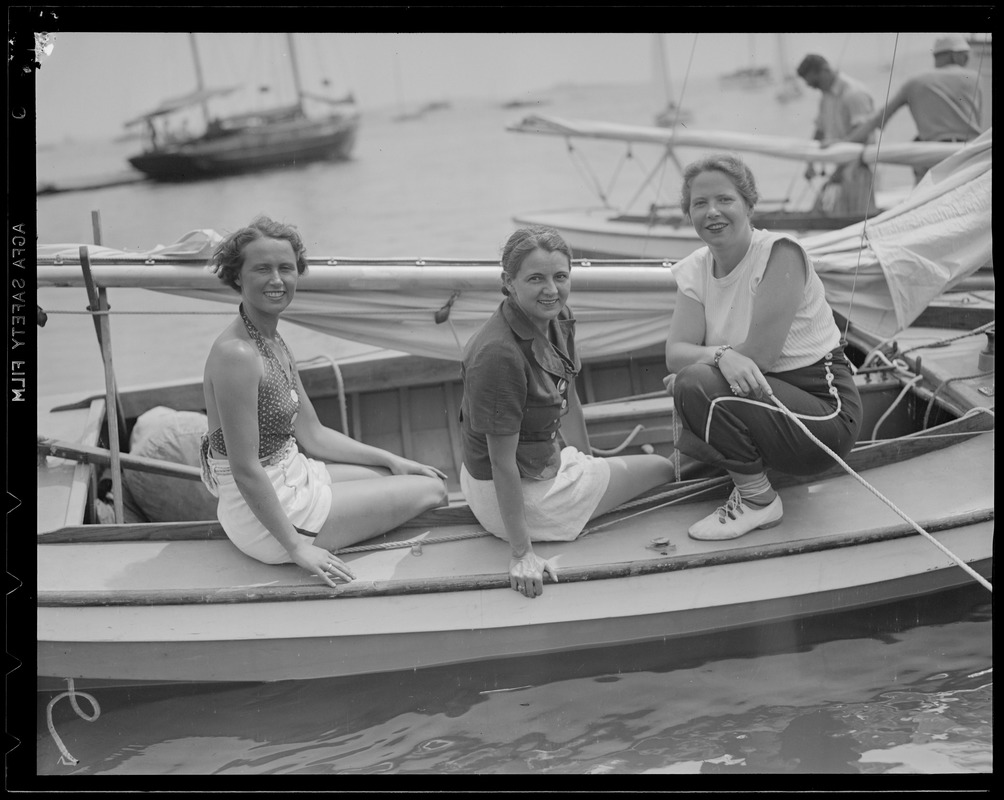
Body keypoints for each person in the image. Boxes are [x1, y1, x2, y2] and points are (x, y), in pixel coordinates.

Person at [200, 216, 448, 586]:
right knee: (434, 490)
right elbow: (245, 468)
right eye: (262, 269)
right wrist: (297, 547)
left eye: (286, 268)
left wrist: (393, 459)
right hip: (268, 514)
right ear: (237, 276)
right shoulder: (237, 354)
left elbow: (313, 434)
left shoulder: (270, 340)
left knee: (393, 474)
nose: (277, 280)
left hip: (293, 473)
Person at [459, 227, 676, 598]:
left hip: (539, 464)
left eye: (560, 276)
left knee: (633, 470)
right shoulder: (499, 355)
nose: (552, 289)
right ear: (508, 283)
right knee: (663, 468)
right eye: (535, 279)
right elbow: (501, 463)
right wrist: (523, 553)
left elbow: (567, 393)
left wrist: (587, 461)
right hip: (513, 493)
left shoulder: (556, 318)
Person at [664, 155, 862, 541]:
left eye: (725, 200)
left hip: (822, 417)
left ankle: (758, 501)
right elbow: (676, 351)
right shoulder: (695, 268)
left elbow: (760, 357)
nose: (712, 212)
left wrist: (706, 368)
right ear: (688, 213)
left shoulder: (779, 254)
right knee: (693, 379)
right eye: (699, 204)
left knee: (694, 383)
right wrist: (719, 358)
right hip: (765, 404)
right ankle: (741, 470)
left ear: (749, 205)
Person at [844, 34, 984, 183]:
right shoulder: (975, 78)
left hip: (932, 158)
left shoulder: (915, 82)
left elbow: (878, 119)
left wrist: (844, 141)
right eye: (965, 56)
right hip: (971, 156)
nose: (967, 61)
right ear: (955, 56)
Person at [796, 53, 877, 217]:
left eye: (816, 83)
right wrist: (810, 163)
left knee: (859, 219)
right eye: (811, 85)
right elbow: (819, 130)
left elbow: (864, 134)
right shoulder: (825, 97)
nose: (815, 88)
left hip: (860, 167)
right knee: (834, 214)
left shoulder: (854, 93)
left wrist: (840, 170)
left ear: (825, 70)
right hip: (840, 167)